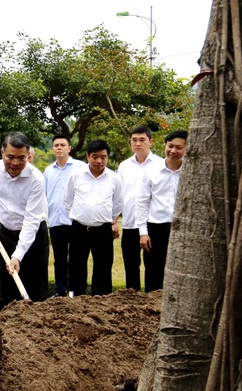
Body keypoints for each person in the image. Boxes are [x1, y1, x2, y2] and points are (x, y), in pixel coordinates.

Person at [0, 132, 49, 309]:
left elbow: (31, 220)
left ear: (28, 156)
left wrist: (17, 255)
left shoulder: (36, 178)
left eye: (21, 158)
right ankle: (5, 329)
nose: (15, 163)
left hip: (33, 236)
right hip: (6, 233)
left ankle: (37, 331)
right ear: (2, 152)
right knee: (7, 286)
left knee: (36, 288)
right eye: (10, 157)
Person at [64, 139, 123, 297]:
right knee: (77, 266)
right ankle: (77, 299)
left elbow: (117, 204)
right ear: (87, 156)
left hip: (102, 230)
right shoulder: (76, 176)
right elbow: (67, 201)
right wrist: (81, 215)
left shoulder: (114, 178)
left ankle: (101, 302)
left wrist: (110, 220)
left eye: (103, 157)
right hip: (79, 228)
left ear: (107, 158)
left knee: (103, 268)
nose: (99, 161)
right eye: (95, 157)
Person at [136, 130, 187, 292]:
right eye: (170, 146)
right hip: (155, 228)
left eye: (179, 147)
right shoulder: (152, 171)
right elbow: (142, 202)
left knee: (180, 272)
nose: (173, 151)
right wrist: (143, 232)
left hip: (182, 229)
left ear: (187, 148)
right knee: (153, 272)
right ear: (164, 145)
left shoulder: (191, 172)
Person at [117, 125, 164, 291]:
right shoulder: (124, 166)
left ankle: (153, 301)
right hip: (129, 223)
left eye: (142, 140)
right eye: (134, 140)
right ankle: (133, 303)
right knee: (131, 266)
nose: (138, 144)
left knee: (154, 266)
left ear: (150, 141)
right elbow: (119, 195)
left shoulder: (160, 164)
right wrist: (115, 220)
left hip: (152, 224)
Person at [44, 135, 80, 297]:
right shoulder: (48, 171)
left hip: (74, 220)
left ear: (69, 148)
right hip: (55, 220)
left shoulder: (80, 167)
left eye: (62, 145)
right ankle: (60, 290)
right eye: (56, 145)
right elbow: (45, 195)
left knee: (75, 258)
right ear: (53, 148)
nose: (59, 148)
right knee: (59, 259)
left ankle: (75, 290)